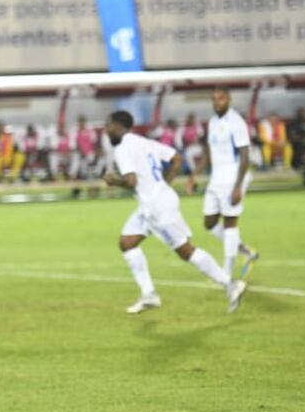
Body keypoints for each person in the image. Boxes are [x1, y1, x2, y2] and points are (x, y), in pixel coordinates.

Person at [103, 110, 246, 315]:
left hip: (158, 209)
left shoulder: (123, 148)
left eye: (108, 126)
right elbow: (176, 158)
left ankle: (230, 284)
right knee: (127, 243)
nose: (107, 131)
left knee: (186, 251)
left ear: (118, 126)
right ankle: (149, 293)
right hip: (151, 204)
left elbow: (131, 181)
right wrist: (164, 186)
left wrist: (113, 180)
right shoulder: (143, 141)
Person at [196, 87, 260, 279]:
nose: (217, 103)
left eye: (221, 99)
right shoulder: (213, 122)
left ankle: (227, 271)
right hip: (216, 179)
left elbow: (245, 155)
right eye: (214, 99)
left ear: (229, 100)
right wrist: (195, 175)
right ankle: (245, 251)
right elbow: (209, 151)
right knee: (209, 223)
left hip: (232, 178)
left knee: (230, 224)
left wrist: (238, 186)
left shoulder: (237, 122)